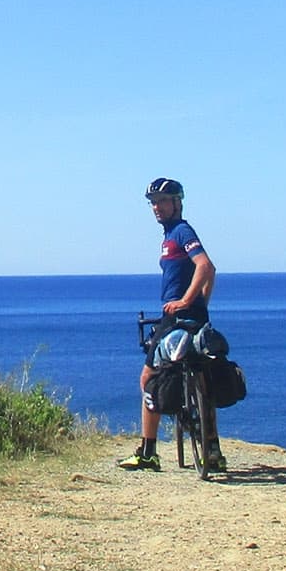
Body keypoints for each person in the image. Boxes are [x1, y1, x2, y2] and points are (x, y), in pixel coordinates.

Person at [119, 177, 222, 472]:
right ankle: (212, 447)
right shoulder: (170, 236)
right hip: (196, 314)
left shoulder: (180, 232)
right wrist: (202, 303)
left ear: (177, 202)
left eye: (163, 201)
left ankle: (148, 451)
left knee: (148, 378)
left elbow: (205, 265)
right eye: (153, 203)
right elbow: (209, 271)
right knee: (202, 374)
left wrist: (187, 301)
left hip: (177, 315)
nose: (157, 207)